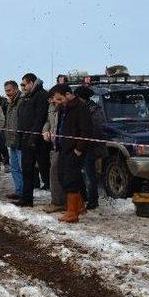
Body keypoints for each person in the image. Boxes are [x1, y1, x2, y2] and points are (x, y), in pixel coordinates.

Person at [49, 84, 92, 223]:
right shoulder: (64, 108)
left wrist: (78, 149)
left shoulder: (81, 108)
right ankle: (79, 206)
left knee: (71, 180)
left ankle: (72, 212)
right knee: (62, 176)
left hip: (74, 150)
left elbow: (86, 130)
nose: (58, 102)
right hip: (63, 148)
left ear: (68, 94)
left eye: (59, 99)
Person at [16, 73, 49, 207]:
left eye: (24, 84)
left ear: (31, 83)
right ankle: (26, 199)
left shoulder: (41, 95)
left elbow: (40, 118)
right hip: (25, 139)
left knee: (46, 171)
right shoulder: (26, 97)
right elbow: (22, 119)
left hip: (38, 141)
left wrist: (33, 137)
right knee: (27, 170)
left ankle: (63, 199)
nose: (22, 87)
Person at [74, 86, 107, 209]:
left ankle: (93, 201)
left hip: (90, 147)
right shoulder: (83, 108)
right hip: (82, 146)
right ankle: (85, 197)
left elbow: (96, 130)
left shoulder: (93, 110)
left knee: (90, 175)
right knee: (83, 174)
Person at [42, 95, 65, 213]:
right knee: (54, 173)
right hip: (54, 144)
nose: (51, 101)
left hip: (63, 145)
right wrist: (45, 130)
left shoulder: (64, 107)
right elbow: (48, 121)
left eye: (53, 98)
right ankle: (57, 201)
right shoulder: (51, 106)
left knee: (55, 172)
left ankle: (59, 202)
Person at [4, 81, 23, 200]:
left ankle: (25, 193)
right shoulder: (10, 103)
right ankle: (19, 190)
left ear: (16, 89)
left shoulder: (21, 101)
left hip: (20, 140)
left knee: (22, 168)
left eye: (9, 90)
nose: (7, 93)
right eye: (6, 91)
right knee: (15, 168)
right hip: (11, 140)